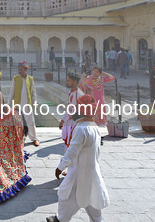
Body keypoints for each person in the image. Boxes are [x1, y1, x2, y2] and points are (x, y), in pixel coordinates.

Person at [47, 94, 110, 222]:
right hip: (91, 173)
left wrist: (60, 167)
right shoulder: (94, 128)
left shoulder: (81, 129)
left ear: (82, 110)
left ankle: (60, 220)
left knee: (66, 198)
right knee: (92, 201)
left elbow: (72, 151)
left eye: (77, 107)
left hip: (78, 174)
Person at [10, 61, 40, 146]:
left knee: (30, 122)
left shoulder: (30, 79)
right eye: (19, 69)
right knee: (19, 123)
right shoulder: (15, 78)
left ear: (25, 69)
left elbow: (33, 93)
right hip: (18, 105)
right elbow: (11, 93)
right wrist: (9, 105)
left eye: (21, 69)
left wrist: (35, 103)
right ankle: (21, 138)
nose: (19, 71)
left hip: (27, 105)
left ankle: (34, 138)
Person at [60, 73, 84, 152]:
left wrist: (67, 118)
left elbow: (79, 111)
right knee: (68, 144)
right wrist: (63, 120)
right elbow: (69, 108)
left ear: (74, 81)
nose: (67, 82)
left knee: (73, 145)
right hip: (69, 122)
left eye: (68, 80)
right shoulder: (71, 93)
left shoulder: (79, 94)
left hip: (75, 123)